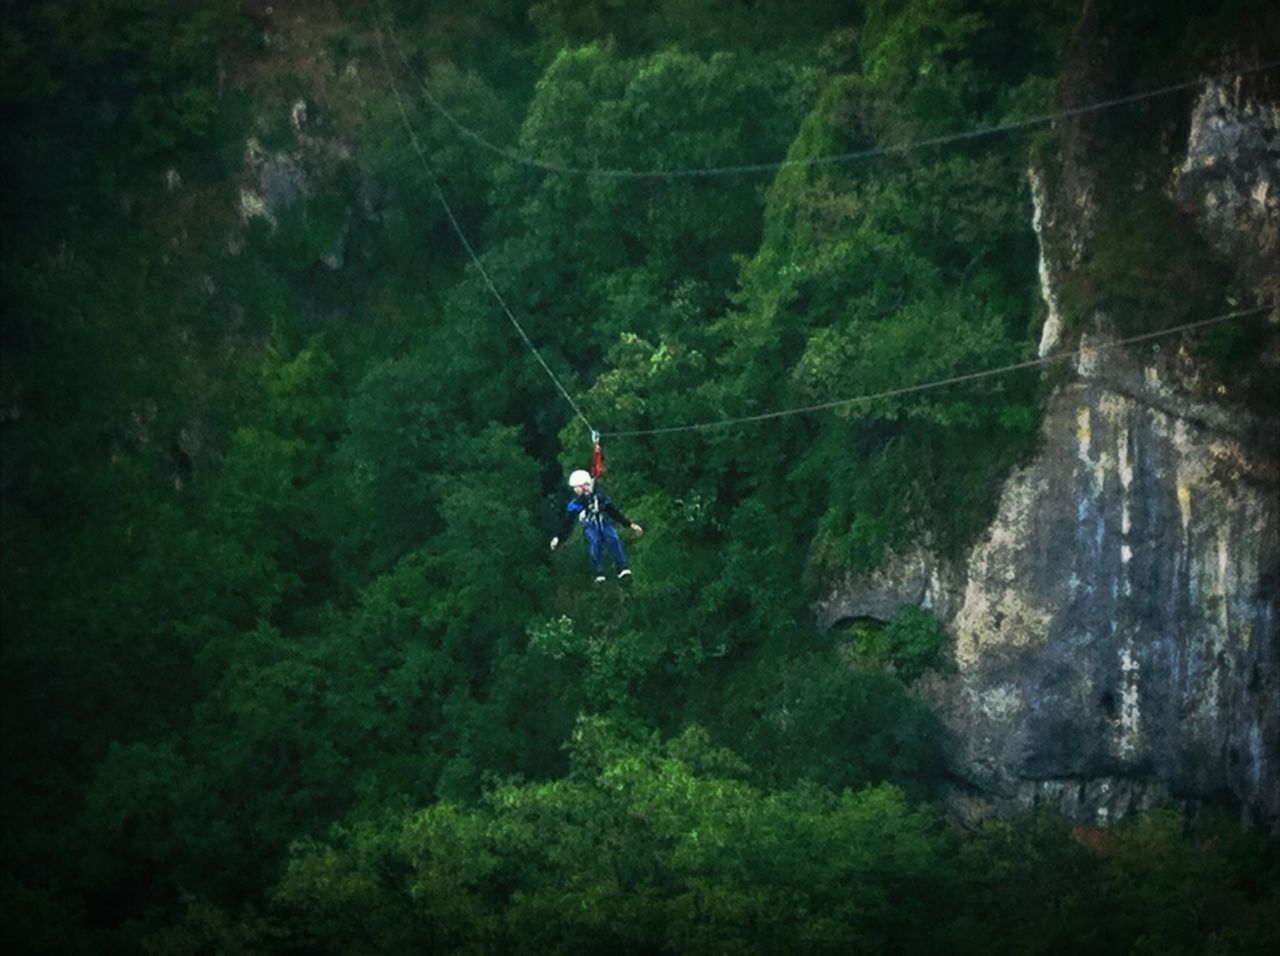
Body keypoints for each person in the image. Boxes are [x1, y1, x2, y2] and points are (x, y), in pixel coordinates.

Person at [550, 470, 643, 582]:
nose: (575, 490)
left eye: (576, 487)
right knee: (595, 541)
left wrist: (629, 525)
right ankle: (599, 571)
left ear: (584, 485)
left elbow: (613, 512)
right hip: (590, 526)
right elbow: (568, 523)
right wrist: (558, 538)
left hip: (605, 522)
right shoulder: (576, 504)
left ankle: (622, 567)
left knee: (613, 538)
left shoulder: (600, 497)